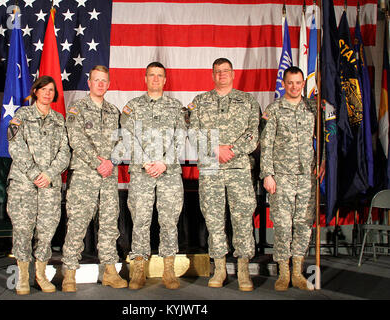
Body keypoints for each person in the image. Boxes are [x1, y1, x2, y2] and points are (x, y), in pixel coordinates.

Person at [187, 58, 260, 291]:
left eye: (225, 71)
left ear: (233, 73)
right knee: (214, 220)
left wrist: (233, 150)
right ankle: (219, 269)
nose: (221, 75)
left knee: (242, 219)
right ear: (212, 75)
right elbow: (193, 132)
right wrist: (215, 149)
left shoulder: (248, 101)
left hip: (239, 167)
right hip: (211, 169)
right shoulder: (200, 101)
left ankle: (243, 270)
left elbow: (253, 133)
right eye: (217, 72)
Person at [120, 62, 186, 290]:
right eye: (152, 75)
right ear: (145, 78)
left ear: (165, 80)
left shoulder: (176, 107)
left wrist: (164, 163)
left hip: (169, 173)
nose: (156, 79)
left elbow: (181, 138)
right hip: (142, 172)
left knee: (169, 221)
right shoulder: (133, 107)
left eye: (160, 75)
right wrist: (147, 162)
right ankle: (138, 269)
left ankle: (169, 270)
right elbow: (128, 137)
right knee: (140, 220)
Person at [61, 65, 127, 292]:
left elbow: (122, 141)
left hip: (108, 176)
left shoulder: (114, 111)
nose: (100, 84)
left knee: (109, 225)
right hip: (84, 175)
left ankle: (109, 271)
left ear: (108, 84)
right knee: (78, 223)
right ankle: (69, 272)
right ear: (89, 83)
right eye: (96, 80)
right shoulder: (77, 109)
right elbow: (75, 139)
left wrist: (111, 161)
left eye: (104, 81)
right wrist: (97, 161)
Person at [260, 66, 325, 291]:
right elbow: (266, 145)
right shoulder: (275, 109)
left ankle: (297, 271)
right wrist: (267, 174)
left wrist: (324, 161)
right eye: (290, 83)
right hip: (282, 177)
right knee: (283, 226)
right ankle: (283, 273)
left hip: (307, 176)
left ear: (303, 84)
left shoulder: (312, 109)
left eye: (299, 83)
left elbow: (325, 140)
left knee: (304, 225)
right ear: (284, 84)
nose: (295, 87)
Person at [7, 75, 70, 295]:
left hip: (49, 185)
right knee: (23, 230)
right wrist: (35, 174)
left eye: (51, 90)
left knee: (46, 231)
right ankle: (23, 276)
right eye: (43, 89)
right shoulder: (21, 116)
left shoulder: (59, 119)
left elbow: (65, 152)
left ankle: (40, 275)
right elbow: (15, 148)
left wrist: (50, 174)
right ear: (35, 91)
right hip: (24, 184)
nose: (47, 93)